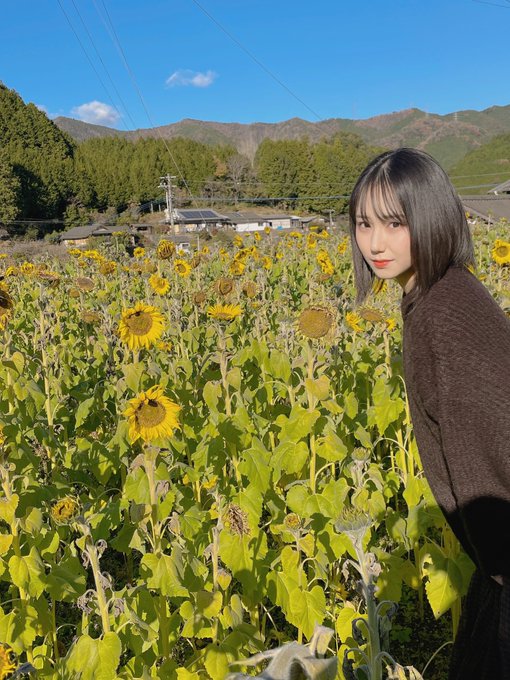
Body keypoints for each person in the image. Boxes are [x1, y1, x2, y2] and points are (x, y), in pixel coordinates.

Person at [348, 147, 510, 679]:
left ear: (433, 217)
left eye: (395, 223)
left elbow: (489, 447)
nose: (375, 243)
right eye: (364, 223)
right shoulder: (440, 295)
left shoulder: (444, 313)